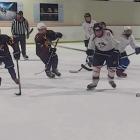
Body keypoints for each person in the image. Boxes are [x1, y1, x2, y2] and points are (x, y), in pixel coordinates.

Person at [86, 23, 119, 90]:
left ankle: (111, 81)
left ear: (102, 30)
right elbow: (90, 47)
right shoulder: (93, 36)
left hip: (111, 52)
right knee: (96, 68)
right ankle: (94, 83)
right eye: (96, 31)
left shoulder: (107, 33)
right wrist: (90, 54)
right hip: (99, 52)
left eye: (99, 30)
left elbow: (115, 43)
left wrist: (116, 51)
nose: (97, 32)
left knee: (112, 69)